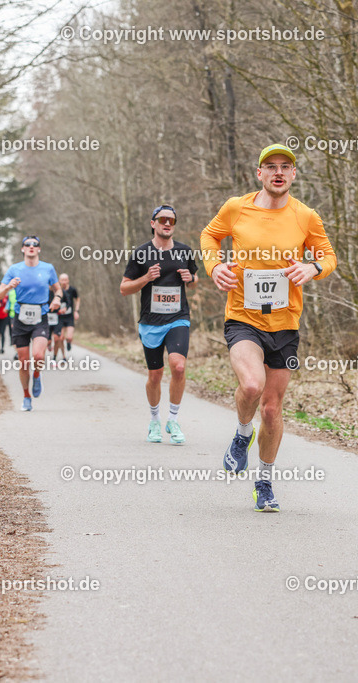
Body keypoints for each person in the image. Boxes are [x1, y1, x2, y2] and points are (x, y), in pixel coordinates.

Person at [199, 144, 337, 512]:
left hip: (285, 323)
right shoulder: (236, 207)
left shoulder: (306, 216)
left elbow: (328, 255)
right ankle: (243, 433)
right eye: (270, 166)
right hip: (243, 316)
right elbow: (209, 237)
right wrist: (215, 268)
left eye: (285, 167)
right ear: (259, 174)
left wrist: (313, 268)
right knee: (252, 385)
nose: (278, 172)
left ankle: (265, 480)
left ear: (293, 175)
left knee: (273, 409)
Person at [120, 205, 198, 444]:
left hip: (178, 318)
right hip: (151, 322)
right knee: (155, 375)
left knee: (178, 366)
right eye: (162, 219)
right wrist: (146, 278)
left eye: (171, 221)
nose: (167, 223)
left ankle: (173, 420)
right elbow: (124, 288)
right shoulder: (141, 254)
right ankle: (154, 420)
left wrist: (191, 279)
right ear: (153, 223)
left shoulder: (184, 251)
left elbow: (194, 282)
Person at [0, 236, 62, 411]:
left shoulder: (48, 268)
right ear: (23, 249)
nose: (31, 247)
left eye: (35, 245)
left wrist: (57, 299)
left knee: (38, 356)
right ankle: (26, 396)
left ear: (39, 249)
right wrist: (9, 287)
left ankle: (37, 375)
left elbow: (58, 289)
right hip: (20, 317)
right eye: (28, 245)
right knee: (24, 362)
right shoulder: (14, 269)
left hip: (41, 316)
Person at [57, 273, 79, 355]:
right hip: (60, 317)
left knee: (69, 337)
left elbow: (78, 300)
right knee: (61, 338)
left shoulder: (72, 290)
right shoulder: (57, 291)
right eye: (62, 280)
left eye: (65, 280)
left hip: (70, 316)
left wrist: (76, 311)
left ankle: (69, 342)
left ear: (68, 280)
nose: (64, 282)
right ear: (59, 281)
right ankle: (63, 356)